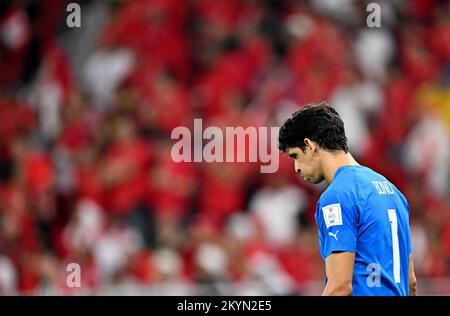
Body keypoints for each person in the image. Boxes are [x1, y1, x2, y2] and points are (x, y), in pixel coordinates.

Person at [278, 101, 416, 296]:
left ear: (310, 145)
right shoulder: (394, 192)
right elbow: (411, 282)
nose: (297, 168)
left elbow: (340, 287)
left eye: (296, 156)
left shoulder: (337, 197)